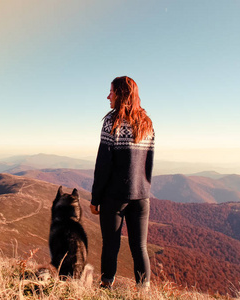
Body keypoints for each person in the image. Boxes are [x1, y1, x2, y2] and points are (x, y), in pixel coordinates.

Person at [90, 76, 154, 289]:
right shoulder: (147, 123)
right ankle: (143, 292)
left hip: (114, 196)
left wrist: (95, 198)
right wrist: (144, 187)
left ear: (121, 94)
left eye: (111, 92)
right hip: (142, 195)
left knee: (111, 244)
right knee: (140, 248)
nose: (108, 96)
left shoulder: (112, 121)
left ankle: (106, 288)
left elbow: (103, 164)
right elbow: (148, 163)